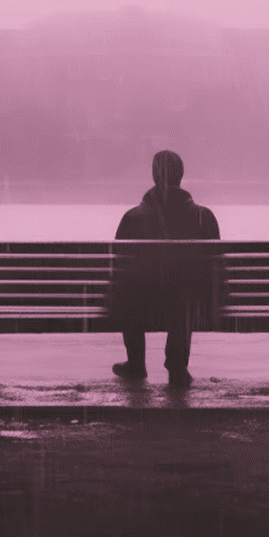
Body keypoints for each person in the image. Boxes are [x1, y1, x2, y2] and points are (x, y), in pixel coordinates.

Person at [111, 150, 220, 387]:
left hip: (141, 307)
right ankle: (177, 364)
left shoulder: (132, 218)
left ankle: (136, 364)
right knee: (187, 293)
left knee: (129, 291)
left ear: (154, 176)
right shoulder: (204, 217)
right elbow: (215, 269)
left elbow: (118, 269)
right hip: (188, 309)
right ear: (181, 176)